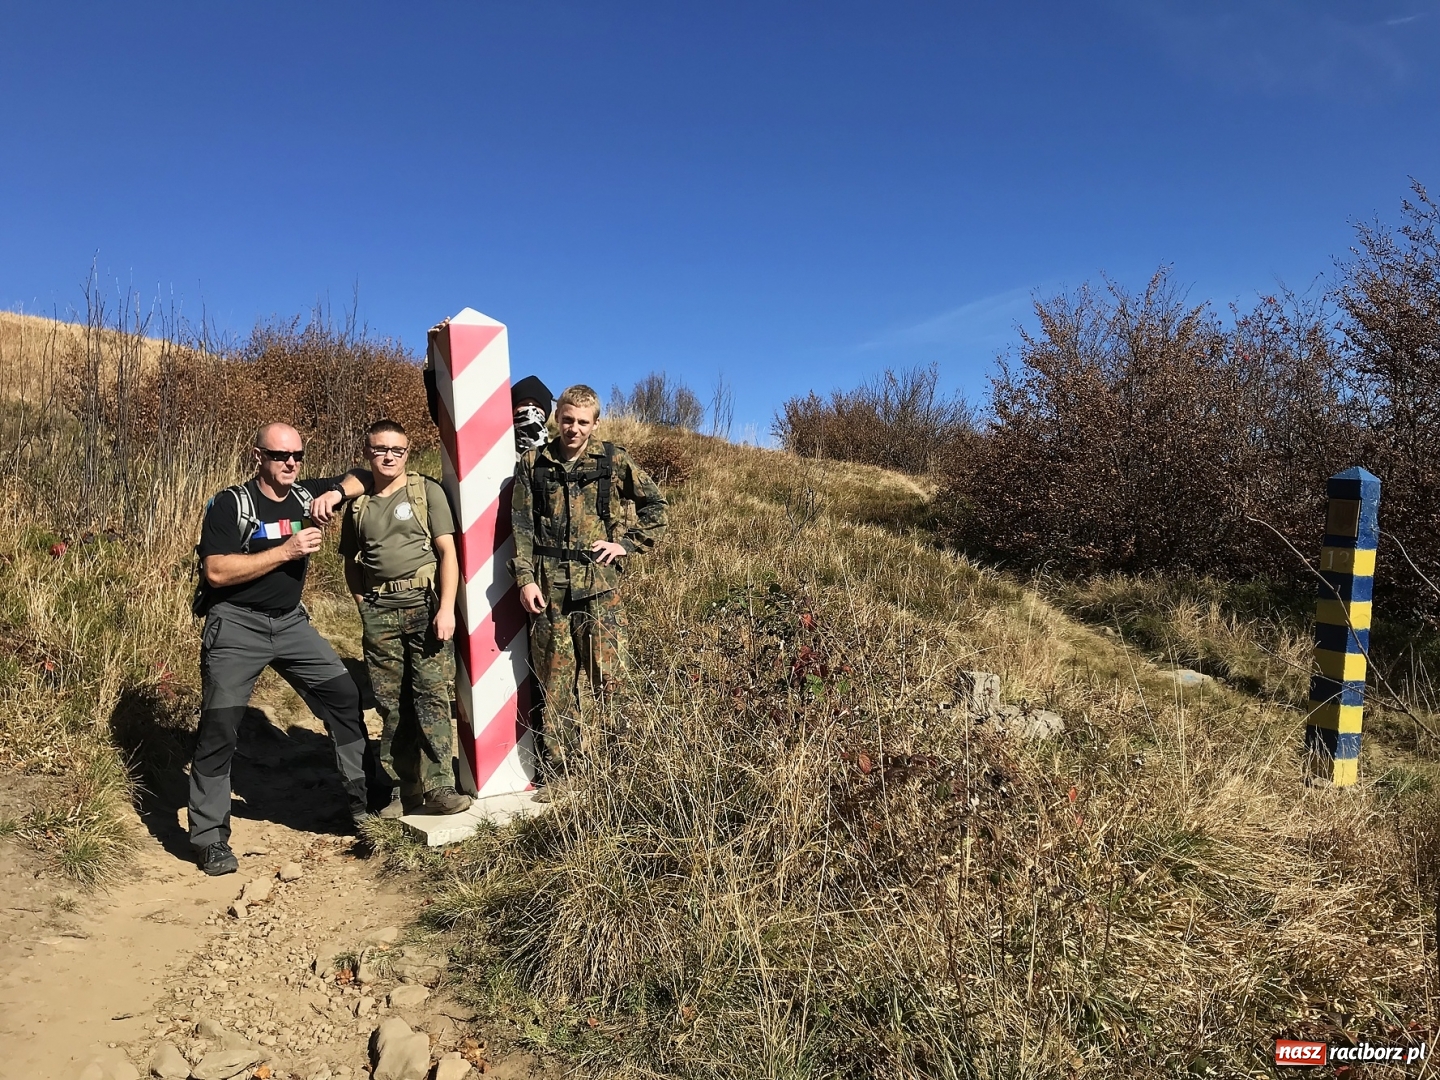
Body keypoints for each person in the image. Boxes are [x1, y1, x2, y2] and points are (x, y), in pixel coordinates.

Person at [190, 423, 372, 876]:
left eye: (298, 455)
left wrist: (334, 494)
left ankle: (364, 805)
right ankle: (210, 838)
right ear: (259, 456)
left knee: (344, 697)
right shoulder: (231, 504)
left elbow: (362, 475)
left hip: (292, 625)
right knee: (219, 729)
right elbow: (215, 572)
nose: (290, 463)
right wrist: (286, 551)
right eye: (279, 456)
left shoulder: (304, 495)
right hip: (236, 625)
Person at [510, 384, 668, 772]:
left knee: (610, 680)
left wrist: (626, 545)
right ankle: (563, 769)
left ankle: (622, 768)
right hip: (550, 591)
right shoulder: (533, 463)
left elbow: (657, 508)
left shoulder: (613, 460)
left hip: (601, 588)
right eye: (567, 419)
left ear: (595, 424)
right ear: (556, 418)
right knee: (556, 682)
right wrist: (525, 579)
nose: (573, 428)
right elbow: (521, 526)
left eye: (583, 422)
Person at [339, 420, 470, 818]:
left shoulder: (425, 491)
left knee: (430, 697)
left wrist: (447, 608)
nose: (389, 456)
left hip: (425, 607)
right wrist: (364, 604)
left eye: (397, 450)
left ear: (407, 452)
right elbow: (351, 563)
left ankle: (440, 787)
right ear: (368, 452)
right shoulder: (358, 506)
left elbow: (447, 552)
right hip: (380, 613)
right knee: (391, 703)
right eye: (381, 449)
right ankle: (404, 790)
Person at [511, 374, 553, 457]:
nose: (530, 410)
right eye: (524, 404)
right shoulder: (497, 451)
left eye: (537, 406)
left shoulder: (556, 453)